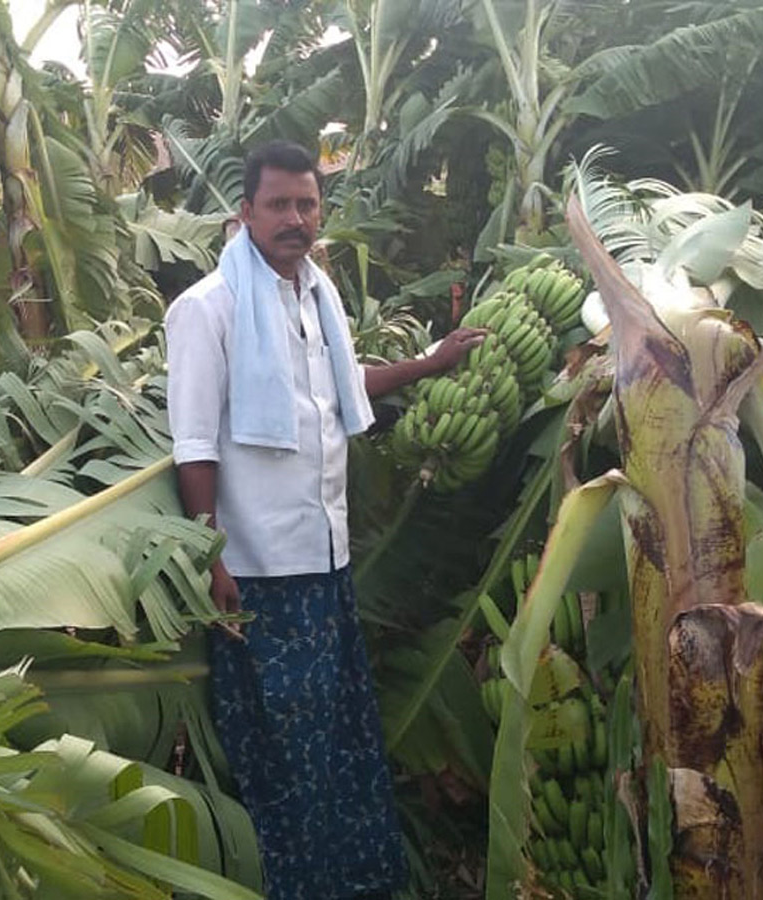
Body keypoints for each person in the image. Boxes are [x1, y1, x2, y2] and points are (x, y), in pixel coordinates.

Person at [165, 140, 483, 900]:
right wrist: (211, 557)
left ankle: (360, 883)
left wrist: (430, 362)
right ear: (245, 213)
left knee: (341, 737)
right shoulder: (209, 308)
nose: (295, 219)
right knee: (286, 750)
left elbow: (341, 388)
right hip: (261, 572)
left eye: (306, 204)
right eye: (278, 204)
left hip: (328, 560)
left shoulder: (318, 297)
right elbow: (195, 443)